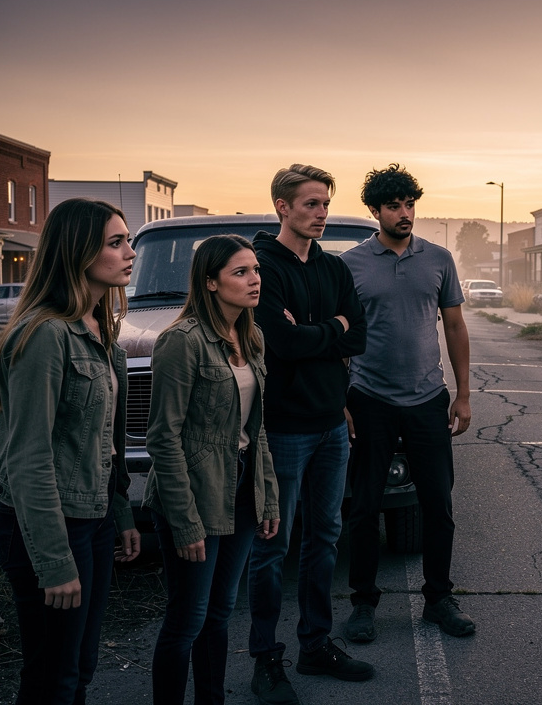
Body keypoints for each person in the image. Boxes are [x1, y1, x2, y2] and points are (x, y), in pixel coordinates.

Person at [0, 198, 141, 704]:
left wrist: (119, 514)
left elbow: (104, 446)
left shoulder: (104, 335)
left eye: (128, 240)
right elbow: (27, 458)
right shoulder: (45, 335)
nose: (129, 252)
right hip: (47, 526)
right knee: (53, 676)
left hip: (90, 521)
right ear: (77, 252)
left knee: (80, 666)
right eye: (115, 242)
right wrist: (53, 561)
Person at [248, 164, 373, 704]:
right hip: (283, 429)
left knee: (325, 540)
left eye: (325, 204)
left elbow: (359, 335)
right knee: (271, 547)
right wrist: (332, 332)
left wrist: (319, 333)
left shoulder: (335, 269)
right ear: (282, 206)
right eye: (310, 204)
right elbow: (281, 342)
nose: (321, 213)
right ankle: (265, 660)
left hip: (330, 426)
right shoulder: (263, 267)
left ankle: (315, 645)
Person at [143, 235, 280, 705]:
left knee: (221, 613)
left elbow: (255, 429)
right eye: (240, 272)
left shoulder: (251, 336)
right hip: (195, 492)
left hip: (241, 488)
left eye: (256, 269)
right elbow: (163, 437)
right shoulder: (181, 342)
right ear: (210, 282)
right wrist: (184, 521)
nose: (254, 279)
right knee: (188, 619)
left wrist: (268, 495)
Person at [340, 163, 474, 642]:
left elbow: (454, 327)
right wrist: (343, 398)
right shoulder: (351, 264)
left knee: (438, 504)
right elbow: (340, 336)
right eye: (394, 205)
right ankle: (363, 604)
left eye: (409, 204)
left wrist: (462, 393)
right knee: (364, 507)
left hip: (426, 399)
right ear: (375, 211)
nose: (404, 213)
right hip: (369, 397)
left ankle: (438, 599)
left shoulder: (438, 259)